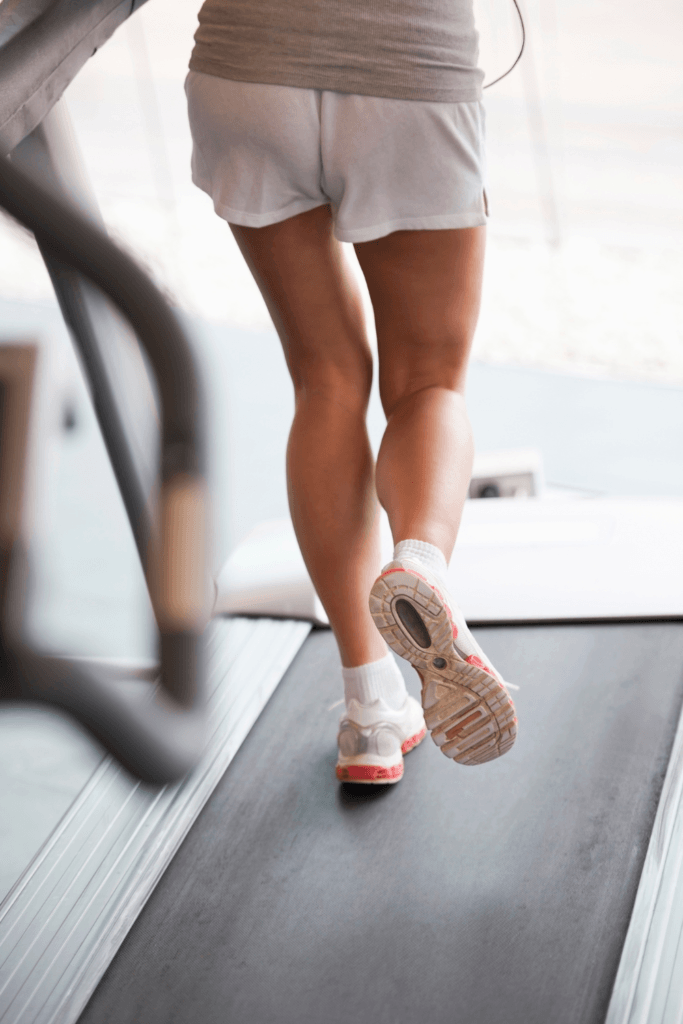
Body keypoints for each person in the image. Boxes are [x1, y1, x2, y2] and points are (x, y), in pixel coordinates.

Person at [185, 0, 517, 784]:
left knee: (324, 376)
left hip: (246, 66)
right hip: (406, 64)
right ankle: (420, 567)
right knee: (427, 381)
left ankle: (369, 711)